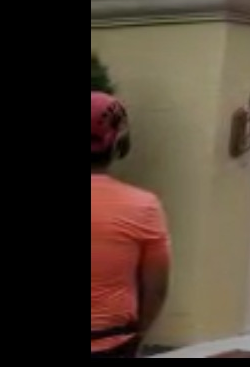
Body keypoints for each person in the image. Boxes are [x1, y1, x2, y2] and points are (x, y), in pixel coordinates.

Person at [90, 91, 171, 358]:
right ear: (118, 145)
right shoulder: (143, 206)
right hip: (112, 342)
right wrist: (140, 336)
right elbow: (156, 288)